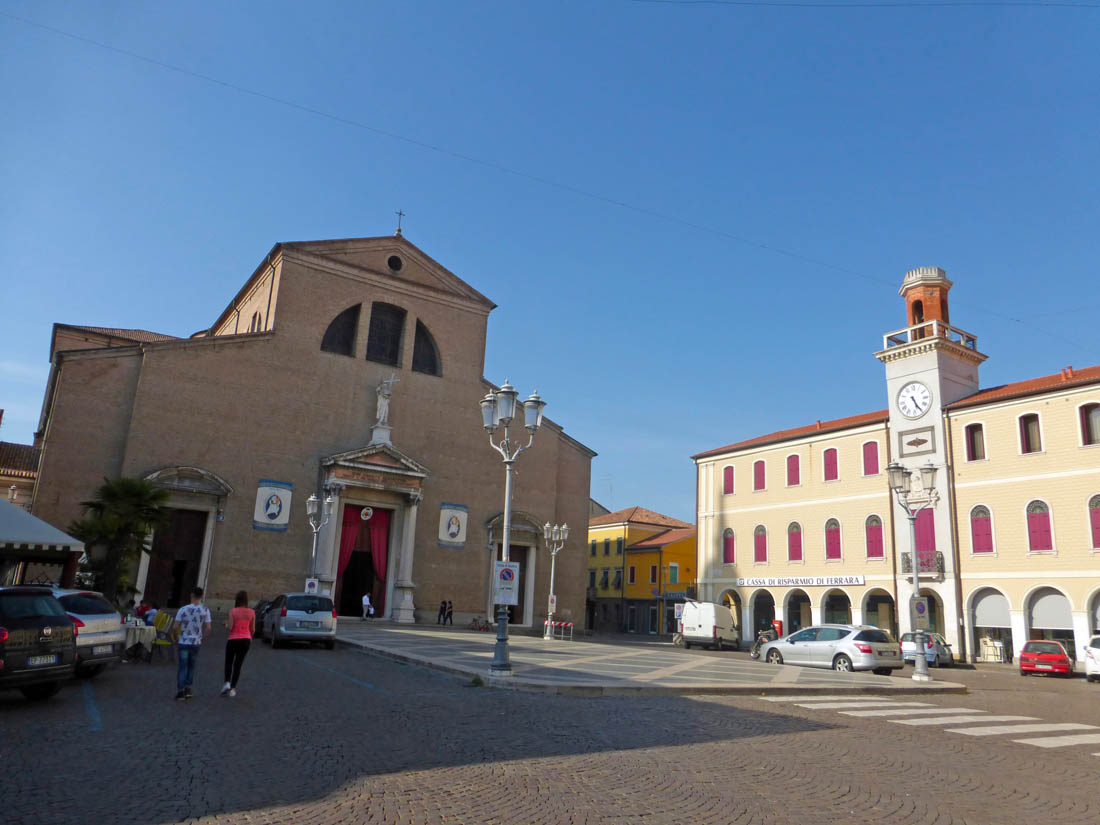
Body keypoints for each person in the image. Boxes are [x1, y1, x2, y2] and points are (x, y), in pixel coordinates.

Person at [172, 587, 212, 700]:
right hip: (196, 642)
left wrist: (175, 637)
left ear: (192, 595)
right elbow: (208, 628)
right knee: (191, 665)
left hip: (183, 640)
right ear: (201, 596)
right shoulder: (205, 610)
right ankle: (188, 689)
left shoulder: (183, 609)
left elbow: (175, 627)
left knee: (182, 666)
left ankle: (180, 691)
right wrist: (202, 637)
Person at [222, 590, 255, 698]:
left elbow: (230, 628)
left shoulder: (233, 611)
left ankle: (227, 682)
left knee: (229, 662)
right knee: (238, 664)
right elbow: (253, 629)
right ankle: (233, 689)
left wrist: (226, 624)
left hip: (233, 639)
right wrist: (249, 636)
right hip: (245, 640)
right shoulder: (251, 612)